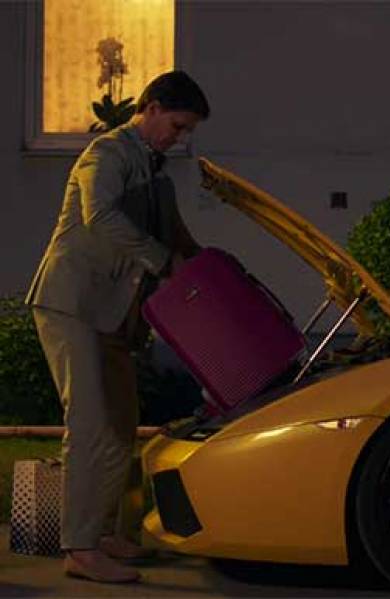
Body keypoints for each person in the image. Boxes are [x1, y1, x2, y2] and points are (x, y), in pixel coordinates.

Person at [25, 70, 210, 583]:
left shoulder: (153, 169)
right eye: (177, 126)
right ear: (151, 109)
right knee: (90, 426)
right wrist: (163, 261)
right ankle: (80, 549)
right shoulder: (105, 154)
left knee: (121, 426)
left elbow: (175, 235)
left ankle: (101, 533)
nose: (180, 138)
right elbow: (101, 216)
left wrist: (206, 266)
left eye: (188, 130)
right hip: (73, 304)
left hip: (112, 316)